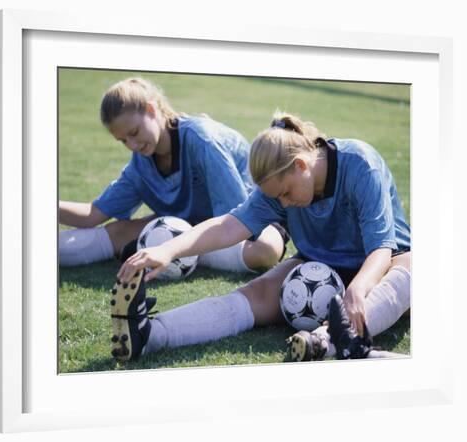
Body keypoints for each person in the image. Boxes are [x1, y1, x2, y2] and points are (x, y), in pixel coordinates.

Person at [112, 111, 411, 362]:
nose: (282, 204)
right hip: (317, 261)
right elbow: (228, 226)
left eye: (285, 193)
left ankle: (326, 341)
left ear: (302, 165)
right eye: (275, 197)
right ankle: (151, 334)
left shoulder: (359, 163)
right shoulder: (277, 187)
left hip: (385, 261)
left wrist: (357, 287)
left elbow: (382, 248)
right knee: (253, 294)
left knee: (414, 269)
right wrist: (168, 250)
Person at [59, 77, 285, 274]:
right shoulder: (140, 166)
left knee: (264, 251)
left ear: (151, 110)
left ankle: (173, 250)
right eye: (123, 141)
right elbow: (92, 215)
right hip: (185, 227)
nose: (133, 145)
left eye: (135, 132)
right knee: (118, 232)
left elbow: (234, 222)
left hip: (242, 224)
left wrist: (172, 243)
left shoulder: (202, 140)